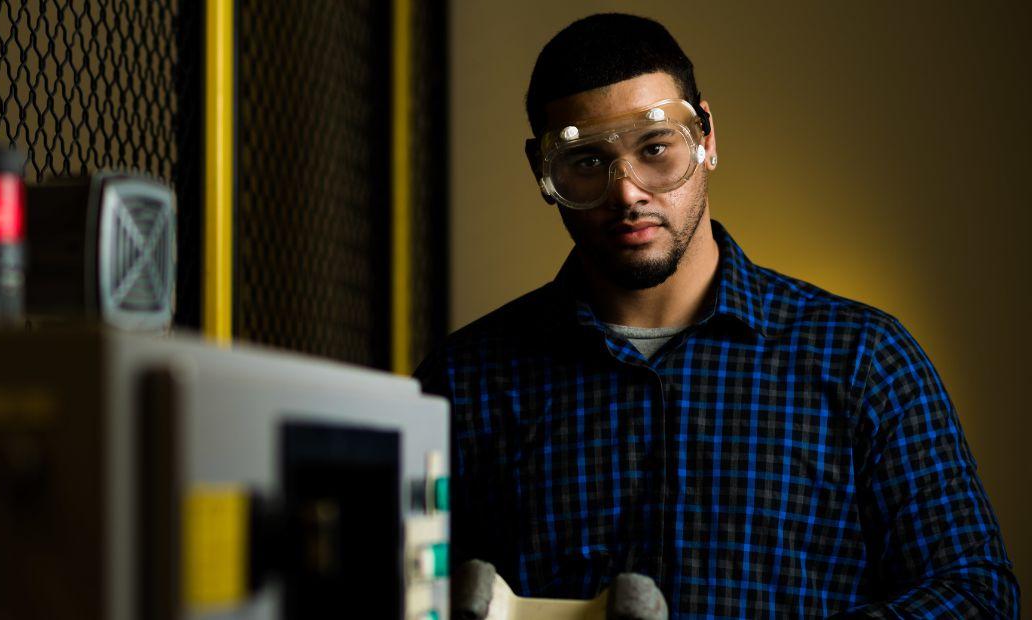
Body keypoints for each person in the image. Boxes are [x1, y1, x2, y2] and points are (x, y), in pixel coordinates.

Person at [415, 13, 1019, 617]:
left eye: (655, 149)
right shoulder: (464, 381)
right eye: (587, 163)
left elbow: (975, 593)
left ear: (705, 138)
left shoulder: (863, 359)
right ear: (542, 172)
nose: (627, 192)